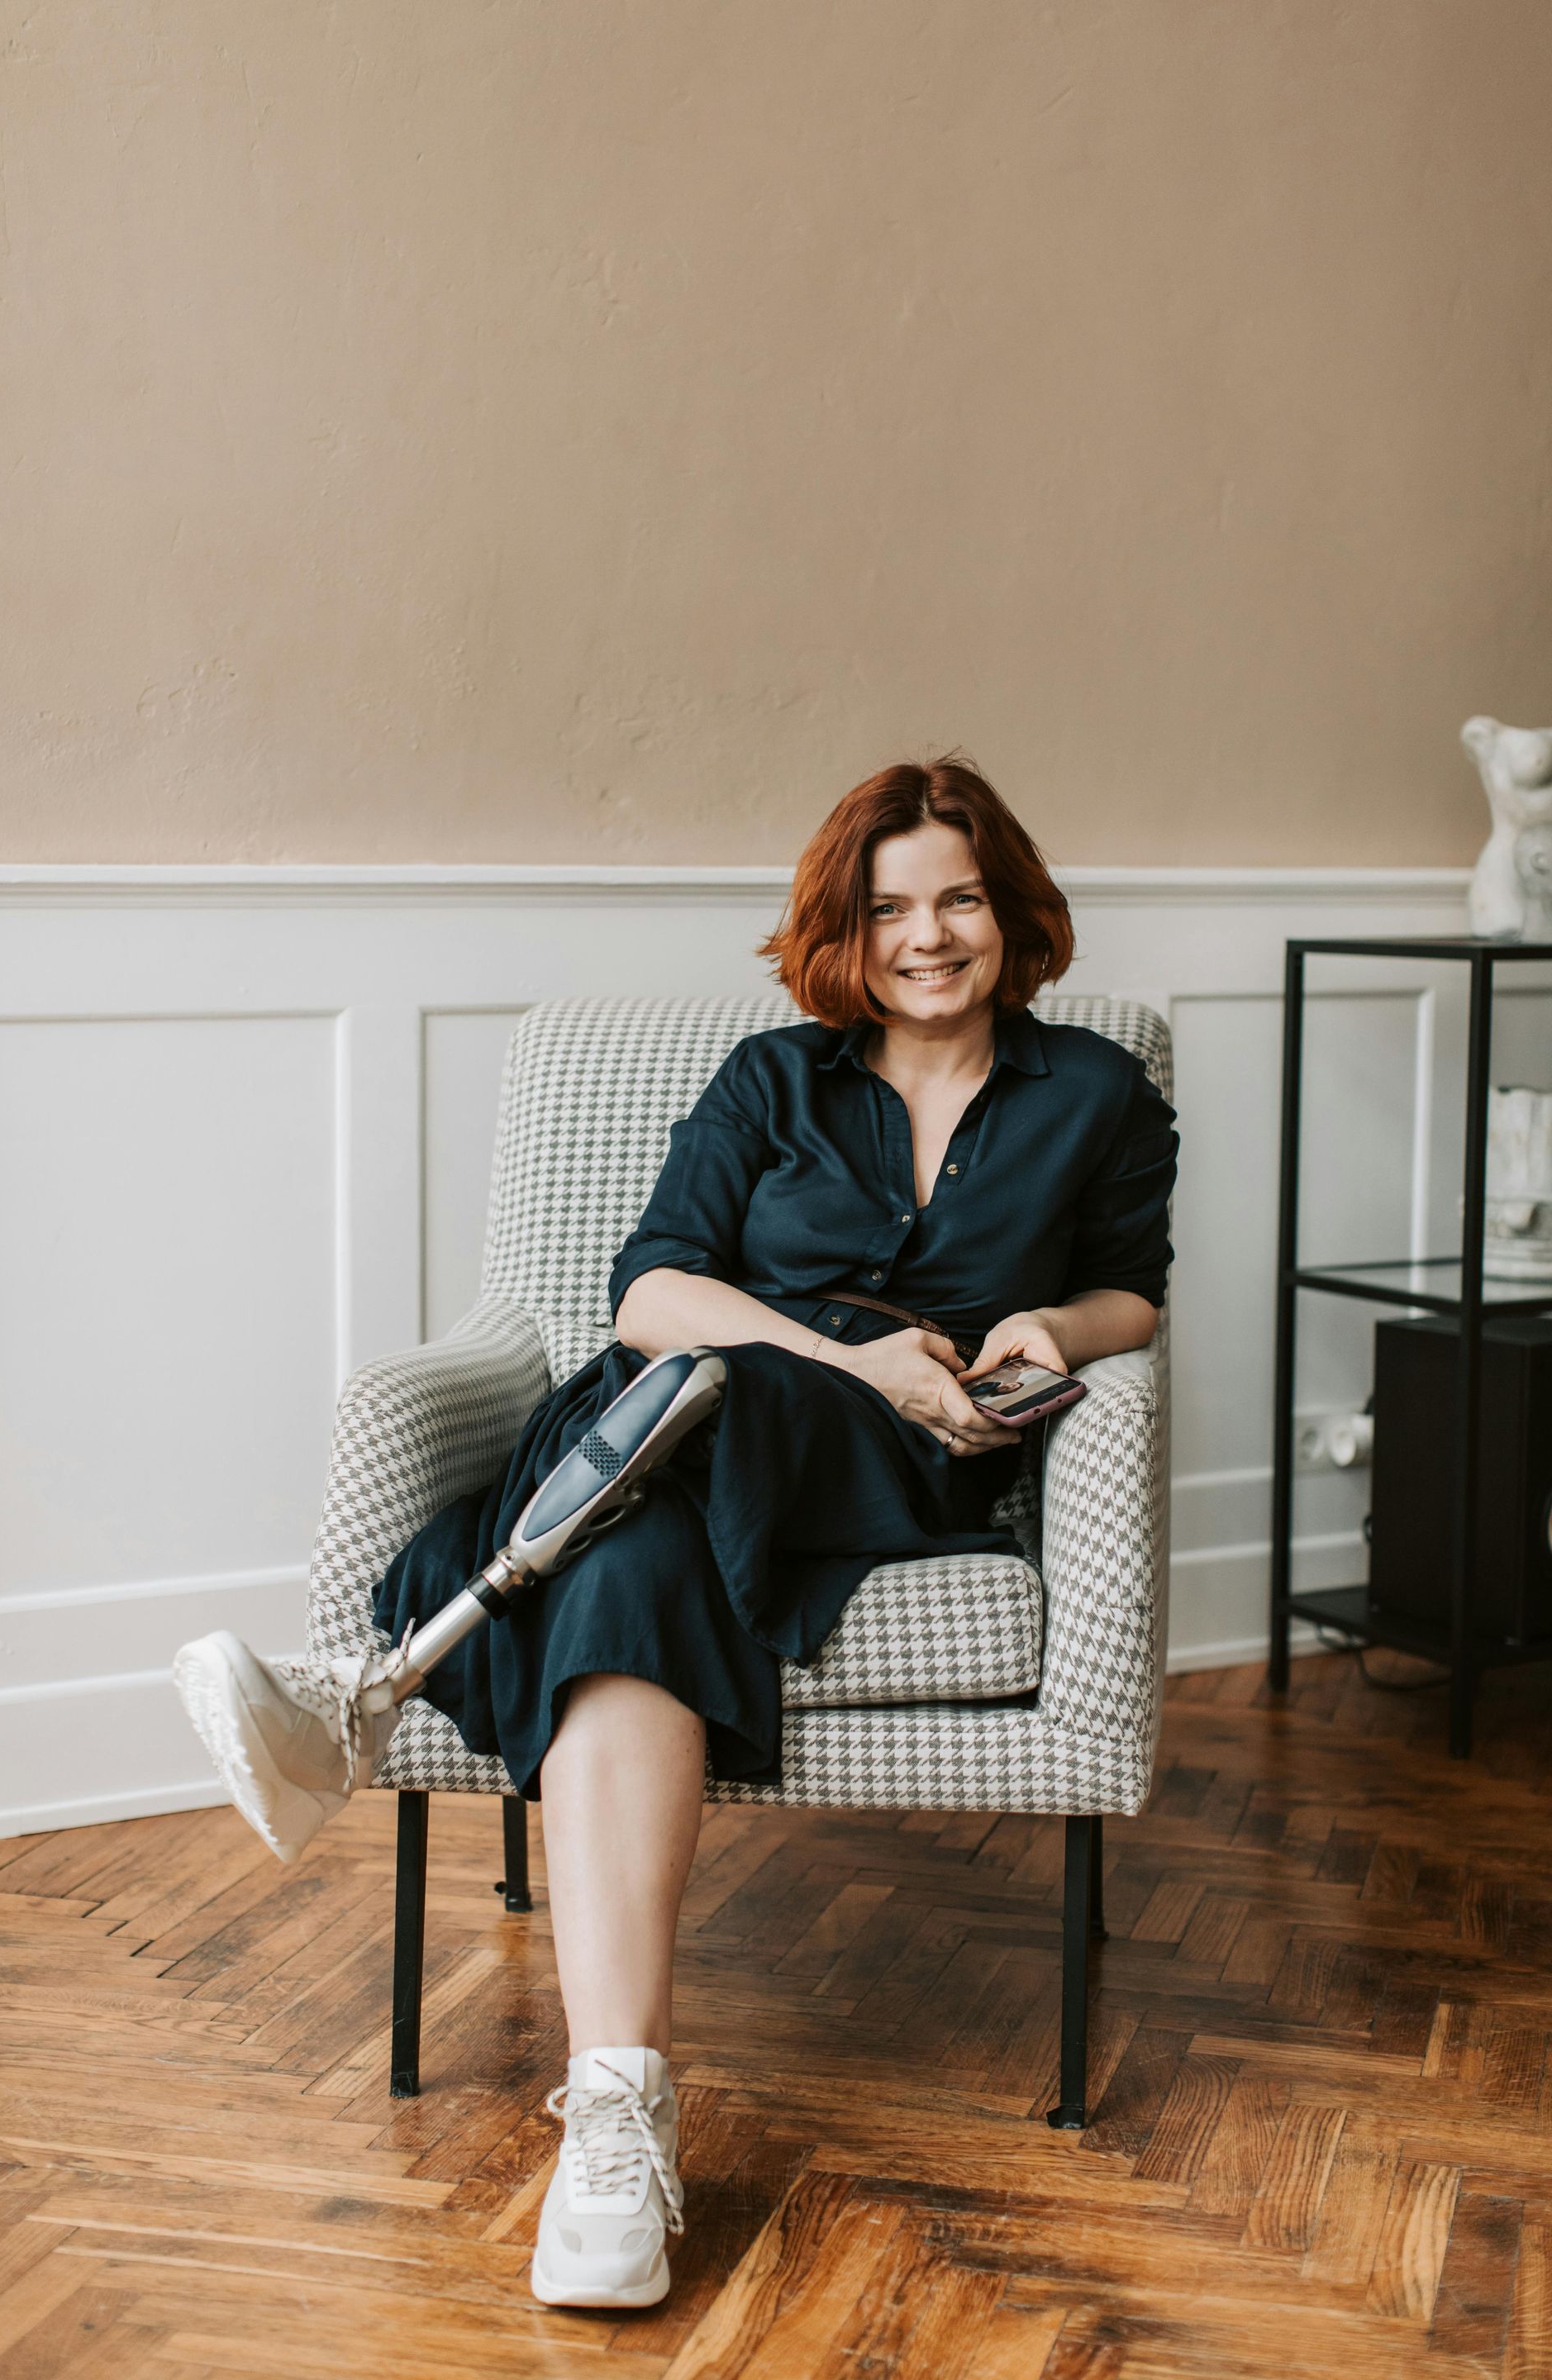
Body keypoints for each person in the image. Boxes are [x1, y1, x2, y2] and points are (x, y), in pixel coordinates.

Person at [363, 754, 1178, 2310]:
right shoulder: (771, 1080)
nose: (928, 936)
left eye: (958, 898)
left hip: (901, 1446)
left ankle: (436, 1633)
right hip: (701, 1409)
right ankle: (620, 2111)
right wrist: (834, 1349)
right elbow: (650, 1289)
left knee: (685, 1427)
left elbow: (1135, 1285)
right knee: (644, 1544)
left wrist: (1051, 1329)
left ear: (1008, 908)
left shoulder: (1097, 1093)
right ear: (843, 932)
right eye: (887, 910)